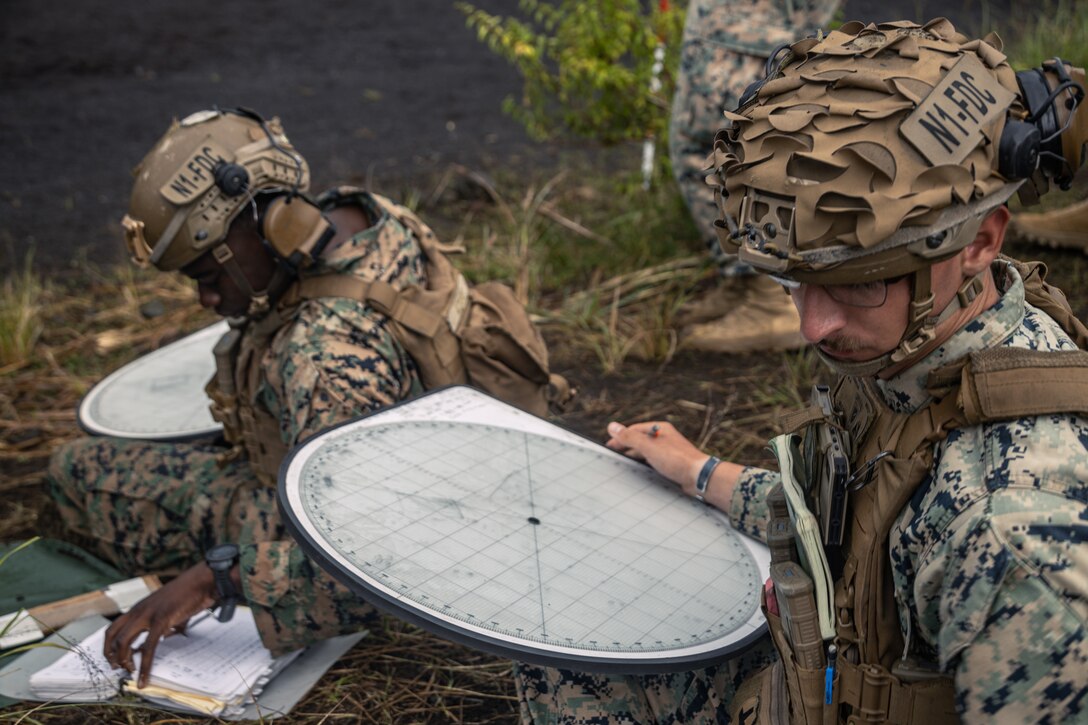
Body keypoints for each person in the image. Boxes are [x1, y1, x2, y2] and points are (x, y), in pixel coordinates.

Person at [518, 19, 1088, 723]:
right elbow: (845, 516)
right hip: (825, 670)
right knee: (571, 657)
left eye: (858, 283)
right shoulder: (912, 345)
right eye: (795, 282)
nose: (812, 325)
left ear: (979, 243)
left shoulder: (1014, 538)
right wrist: (700, 471)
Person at [47, 107, 438, 687]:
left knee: (76, 472)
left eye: (208, 273)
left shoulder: (322, 357)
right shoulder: (363, 219)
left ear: (271, 227)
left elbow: (376, 570)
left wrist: (217, 579)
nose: (206, 298)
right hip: (416, 465)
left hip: (377, 526)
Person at [668, 0, 840, 353]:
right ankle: (745, 280)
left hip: (747, 19)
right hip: (745, 21)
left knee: (731, 148)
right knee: (731, 146)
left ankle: (771, 296)